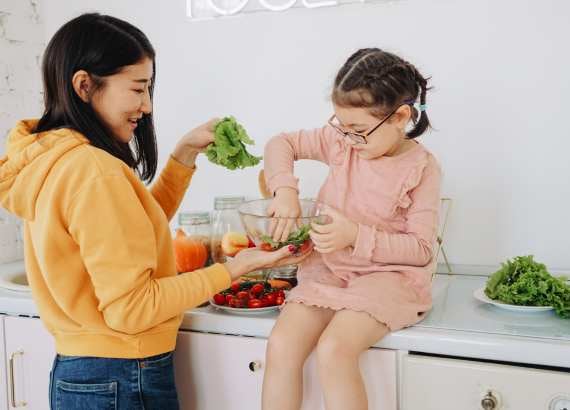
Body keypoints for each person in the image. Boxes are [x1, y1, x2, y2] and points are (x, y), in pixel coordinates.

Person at [0, 13, 304, 409]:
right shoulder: (95, 172)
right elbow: (133, 308)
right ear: (84, 85)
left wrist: (183, 157)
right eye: (137, 89)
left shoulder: (54, 158)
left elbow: (127, 233)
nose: (146, 105)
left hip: (80, 374)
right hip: (122, 376)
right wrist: (232, 269)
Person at [261, 47, 441, 410]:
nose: (348, 137)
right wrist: (285, 190)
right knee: (281, 343)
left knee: (334, 350)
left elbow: (421, 249)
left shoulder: (422, 167)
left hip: (387, 278)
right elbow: (280, 143)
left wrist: (355, 236)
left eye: (358, 130)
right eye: (341, 126)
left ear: (400, 116)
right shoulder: (342, 141)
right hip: (330, 270)